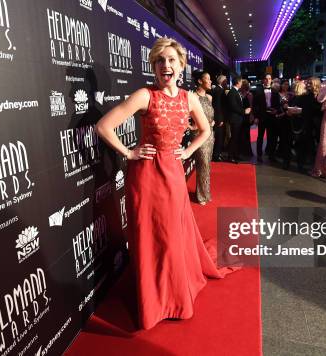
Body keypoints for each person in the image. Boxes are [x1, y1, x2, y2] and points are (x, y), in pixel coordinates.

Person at [95, 37, 234, 330]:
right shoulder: (145, 95)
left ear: (181, 65)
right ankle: (154, 299)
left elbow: (206, 130)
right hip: (145, 176)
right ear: (154, 67)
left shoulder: (190, 99)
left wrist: (187, 151)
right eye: (160, 61)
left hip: (171, 173)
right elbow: (104, 126)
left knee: (172, 233)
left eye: (171, 60)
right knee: (149, 235)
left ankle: (175, 293)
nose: (165, 66)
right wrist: (129, 152)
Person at [192, 70, 215, 205]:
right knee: (203, 163)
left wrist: (212, 122)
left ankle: (204, 192)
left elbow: (210, 114)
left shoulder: (209, 98)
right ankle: (201, 195)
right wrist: (192, 126)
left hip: (211, 134)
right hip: (199, 135)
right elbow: (185, 115)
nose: (211, 81)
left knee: (206, 165)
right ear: (200, 81)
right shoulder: (193, 97)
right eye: (208, 79)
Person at [254, 73, 281, 163]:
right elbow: (255, 105)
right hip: (262, 116)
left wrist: (276, 110)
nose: (268, 80)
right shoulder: (258, 90)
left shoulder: (275, 90)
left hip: (272, 116)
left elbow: (277, 103)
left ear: (271, 80)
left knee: (271, 137)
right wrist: (256, 117)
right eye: (266, 78)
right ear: (263, 80)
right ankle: (259, 155)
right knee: (260, 137)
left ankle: (271, 155)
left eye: (269, 78)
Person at [226, 75, 248, 163]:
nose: (242, 83)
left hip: (238, 119)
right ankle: (230, 156)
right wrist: (244, 111)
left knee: (236, 138)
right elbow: (233, 107)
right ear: (238, 82)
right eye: (241, 82)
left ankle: (235, 155)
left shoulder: (236, 91)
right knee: (234, 138)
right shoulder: (232, 92)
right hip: (234, 119)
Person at [211, 75, 227, 161]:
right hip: (218, 118)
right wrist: (220, 119)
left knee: (219, 137)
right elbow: (217, 106)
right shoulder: (219, 90)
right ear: (221, 81)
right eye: (225, 80)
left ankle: (218, 154)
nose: (227, 82)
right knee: (219, 137)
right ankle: (216, 155)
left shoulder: (218, 89)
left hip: (218, 117)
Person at [239, 79, 254, 158]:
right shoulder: (239, 94)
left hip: (247, 117)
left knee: (246, 134)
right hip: (241, 115)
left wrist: (251, 116)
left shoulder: (249, 95)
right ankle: (241, 151)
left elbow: (251, 106)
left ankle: (246, 151)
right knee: (241, 134)